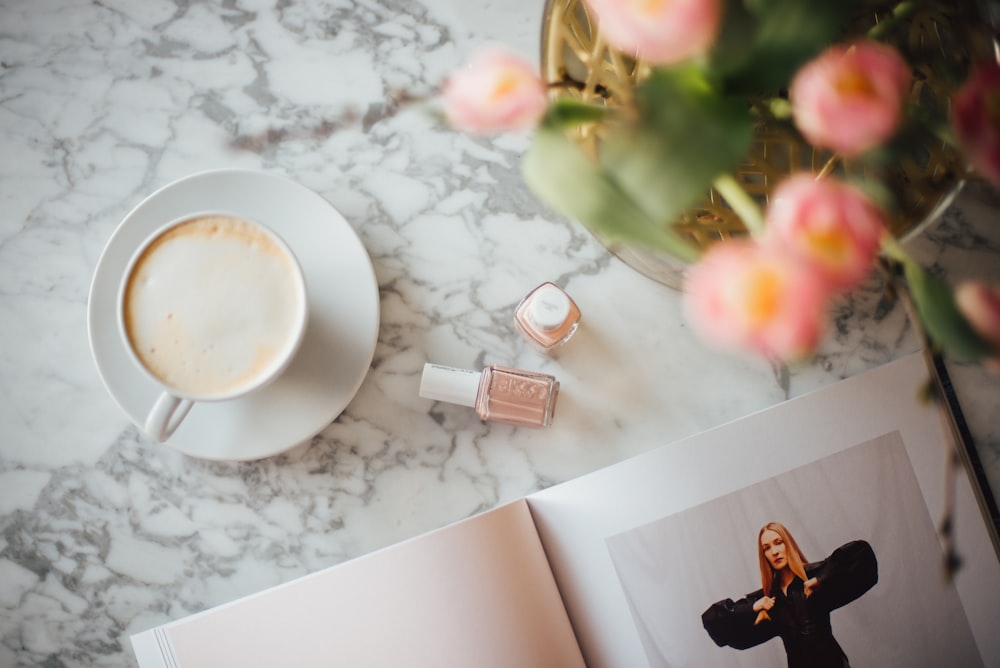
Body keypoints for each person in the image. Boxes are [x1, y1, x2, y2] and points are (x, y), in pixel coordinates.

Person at [701, 522, 878, 668]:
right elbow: (712, 619)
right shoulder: (769, 599)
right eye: (767, 548)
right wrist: (753, 607)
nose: (775, 551)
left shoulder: (812, 577)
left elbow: (861, 554)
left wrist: (820, 580)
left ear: (788, 544)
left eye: (778, 542)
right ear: (764, 556)